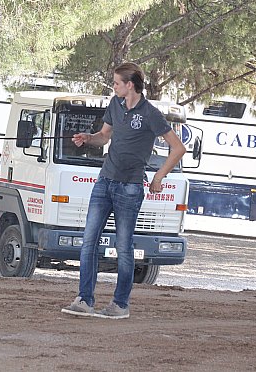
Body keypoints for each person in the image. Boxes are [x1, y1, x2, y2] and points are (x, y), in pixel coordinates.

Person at [61, 62, 186, 319]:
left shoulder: (150, 113)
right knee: (88, 242)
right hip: (104, 181)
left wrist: (159, 177)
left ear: (130, 85)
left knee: (124, 247)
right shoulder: (115, 105)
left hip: (130, 187)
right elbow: (104, 136)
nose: (114, 86)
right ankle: (84, 300)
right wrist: (88, 138)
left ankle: (120, 305)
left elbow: (178, 148)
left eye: (117, 83)